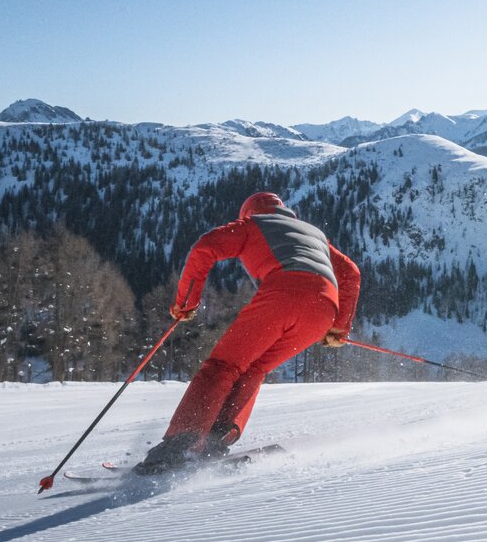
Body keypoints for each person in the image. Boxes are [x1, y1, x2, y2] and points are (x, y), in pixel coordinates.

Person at [134, 191, 360, 475]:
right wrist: (339, 326)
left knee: (222, 366)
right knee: (254, 367)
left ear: (248, 213)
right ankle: (218, 436)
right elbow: (350, 272)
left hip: (284, 293)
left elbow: (205, 248)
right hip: (324, 307)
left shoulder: (253, 225)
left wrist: (186, 303)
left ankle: (177, 447)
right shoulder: (314, 234)